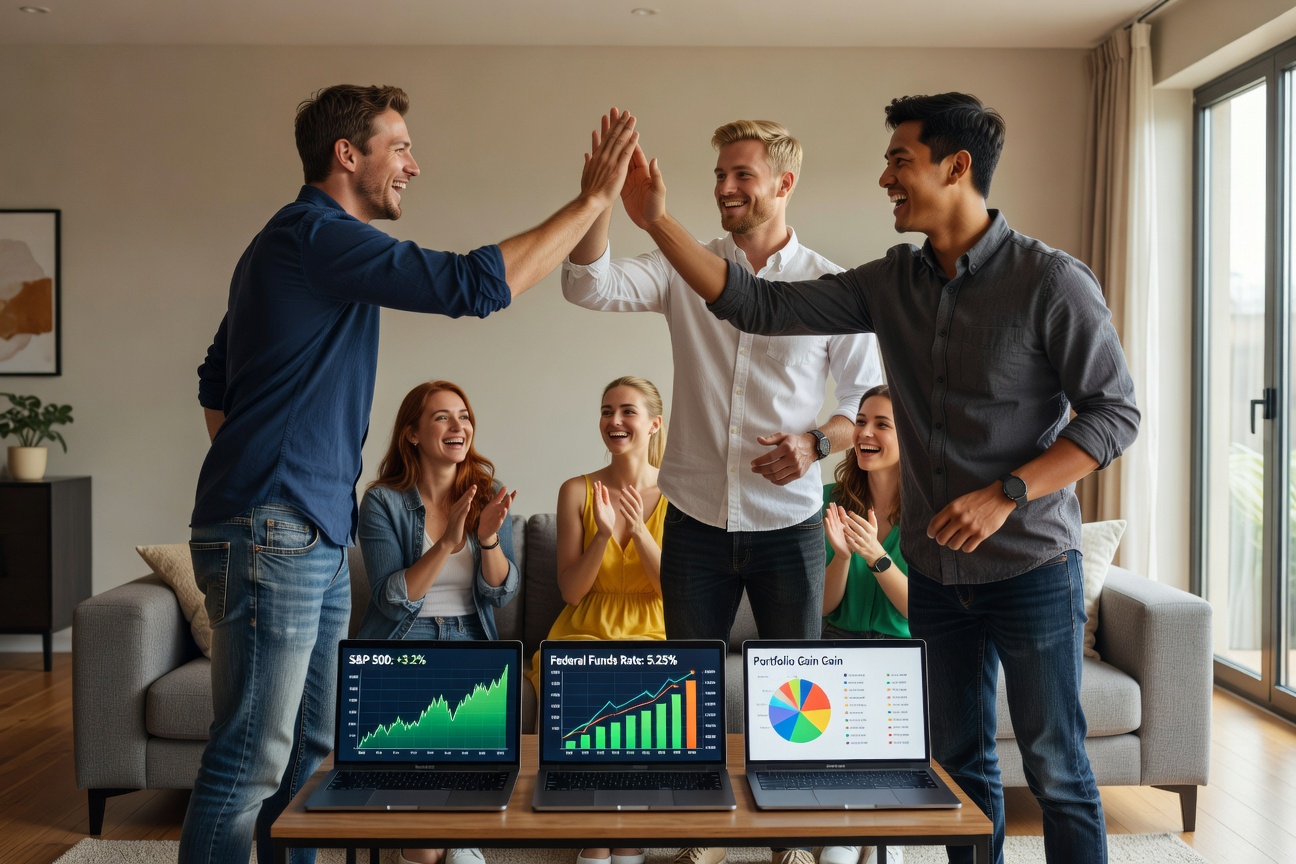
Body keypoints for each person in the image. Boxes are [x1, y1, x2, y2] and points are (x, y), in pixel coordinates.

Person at [619, 93, 1139, 864]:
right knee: (959, 766)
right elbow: (756, 305)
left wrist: (1008, 494)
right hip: (933, 571)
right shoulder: (888, 282)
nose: (884, 177)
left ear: (957, 167)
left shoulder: (1050, 281)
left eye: (901, 160)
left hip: (1030, 563)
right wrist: (657, 222)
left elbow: (1113, 414)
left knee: (1057, 767)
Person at [184, 84, 638, 864]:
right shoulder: (314, 234)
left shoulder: (286, 248)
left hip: (306, 529)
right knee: (251, 759)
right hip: (279, 526)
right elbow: (474, 285)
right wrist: (592, 198)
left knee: (308, 753)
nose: (414, 167)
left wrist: (263, 463)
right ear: (347, 155)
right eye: (400, 148)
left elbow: (213, 381)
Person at [566, 119, 879, 864]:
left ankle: (795, 837)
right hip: (698, 525)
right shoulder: (685, 266)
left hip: (790, 525)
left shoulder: (827, 283)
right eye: (719, 176)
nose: (726, 188)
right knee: (686, 688)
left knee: (798, 689)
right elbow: (589, 285)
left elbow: (867, 397)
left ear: (783, 183)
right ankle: (692, 831)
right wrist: (601, 199)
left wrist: (815, 442)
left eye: (742, 174)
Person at [356, 380, 518, 864]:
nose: (459, 426)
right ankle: (433, 841)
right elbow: (391, 598)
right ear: (411, 434)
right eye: (443, 417)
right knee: (425, 841)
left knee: (461, 762)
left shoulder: (487, 492)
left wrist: (486, 540)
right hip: (405, 638)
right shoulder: (383, 501)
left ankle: (454, 835)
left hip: (472, 636)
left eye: (464, 416)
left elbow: (500, 592)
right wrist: (446, 542)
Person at [529, 375, 668, 864]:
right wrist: (603, 537)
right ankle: (596, 831)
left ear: (653, 423)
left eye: (627, 411)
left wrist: (639, 531)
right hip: (584, 627)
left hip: (653, 629)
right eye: (607, 411)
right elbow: (570, 590)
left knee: (643, 691)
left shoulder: (683, 493)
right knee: (584, 681)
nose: (614, 421)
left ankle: (623, 833)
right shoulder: (577, 491)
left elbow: (672, 591)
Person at [819, 384, 908, 864]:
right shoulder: (831, 499)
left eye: (882, 424)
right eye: (861, 421)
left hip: (902, 648)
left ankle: (877, 832)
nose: (865, 433)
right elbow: (827, 607)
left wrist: (876, 557)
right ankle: (849, 827)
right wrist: (840, 557)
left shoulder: (929, 509)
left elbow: (923, 612)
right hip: (841, 638)